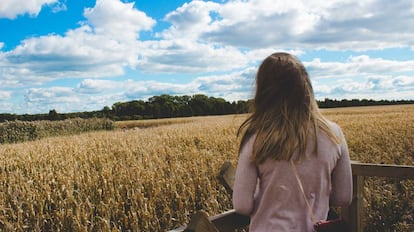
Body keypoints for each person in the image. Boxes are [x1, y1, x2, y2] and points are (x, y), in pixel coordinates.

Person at [233, 52, 353, 231]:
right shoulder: (333, 133)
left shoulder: (256, 136)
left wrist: (272, 195)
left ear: (264, 90)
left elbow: (242, 204)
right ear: (306, 87)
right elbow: (343, 197)